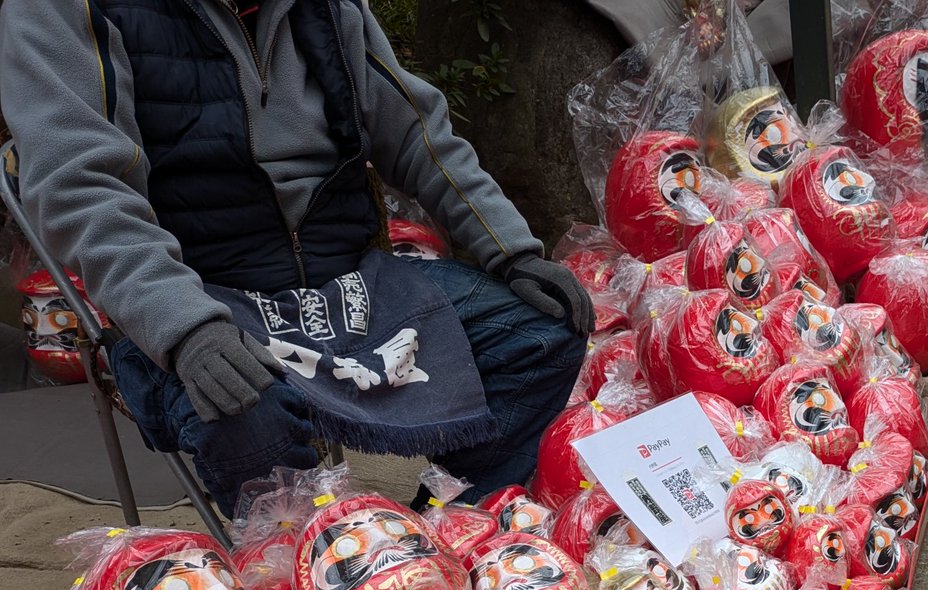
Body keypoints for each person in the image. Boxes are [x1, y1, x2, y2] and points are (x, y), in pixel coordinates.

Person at [0, 0, 593, 516]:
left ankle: (449, 531)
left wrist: (511, 250)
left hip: (348, 284)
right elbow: (81, 188)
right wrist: (186, 329)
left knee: (542, 331)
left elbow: (416, 133)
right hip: (193, 294)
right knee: (242, 409)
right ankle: (299, 563)